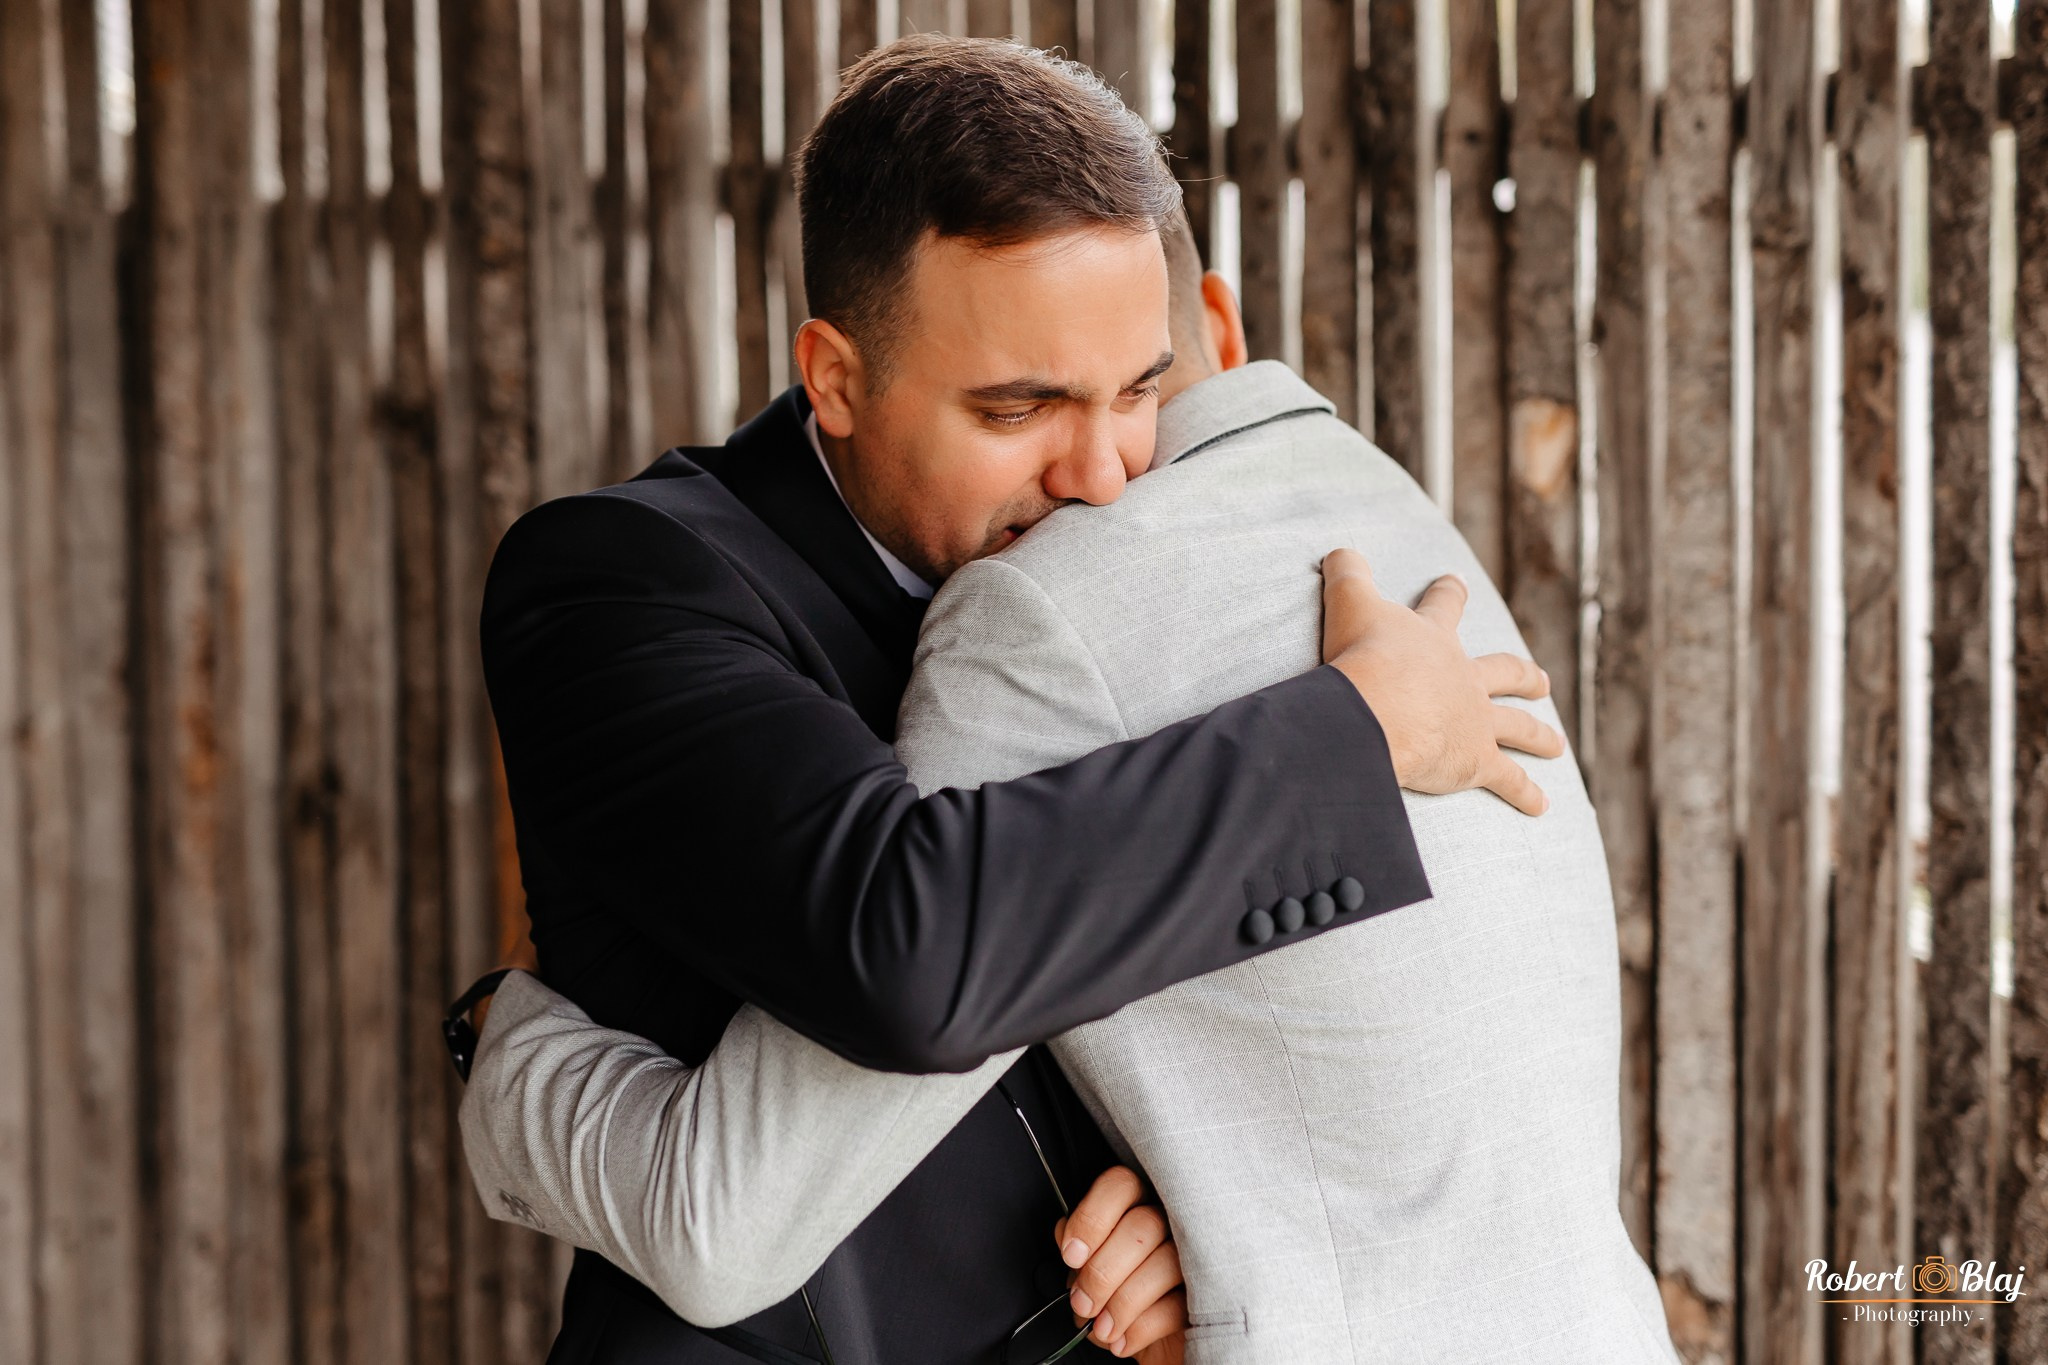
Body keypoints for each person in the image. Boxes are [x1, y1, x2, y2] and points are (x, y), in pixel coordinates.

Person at [470, 34, 1560, 1365]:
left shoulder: (1136, 574)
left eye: (1140, 391)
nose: (1105, 476)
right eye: (1022, 409)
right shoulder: (621, 588)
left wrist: (1202, 1220)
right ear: (837, 379)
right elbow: (912, 943)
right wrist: (1356, 735)